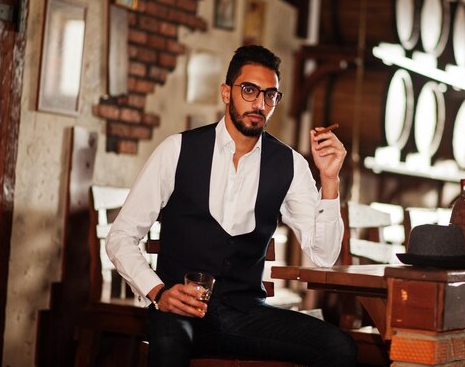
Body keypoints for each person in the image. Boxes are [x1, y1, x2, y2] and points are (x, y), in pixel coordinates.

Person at [106, 45, 357, 367]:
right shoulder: (177, 150)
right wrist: (157, 292)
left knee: (340, 348)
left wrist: (330, 180)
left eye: (271, 95)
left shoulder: (290, 164)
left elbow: (324, 255)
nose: (260, 104)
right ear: (227, 93)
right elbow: (121, 237)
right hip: (178, 311)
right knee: (169, 350)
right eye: (249, 90)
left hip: (246, 313)